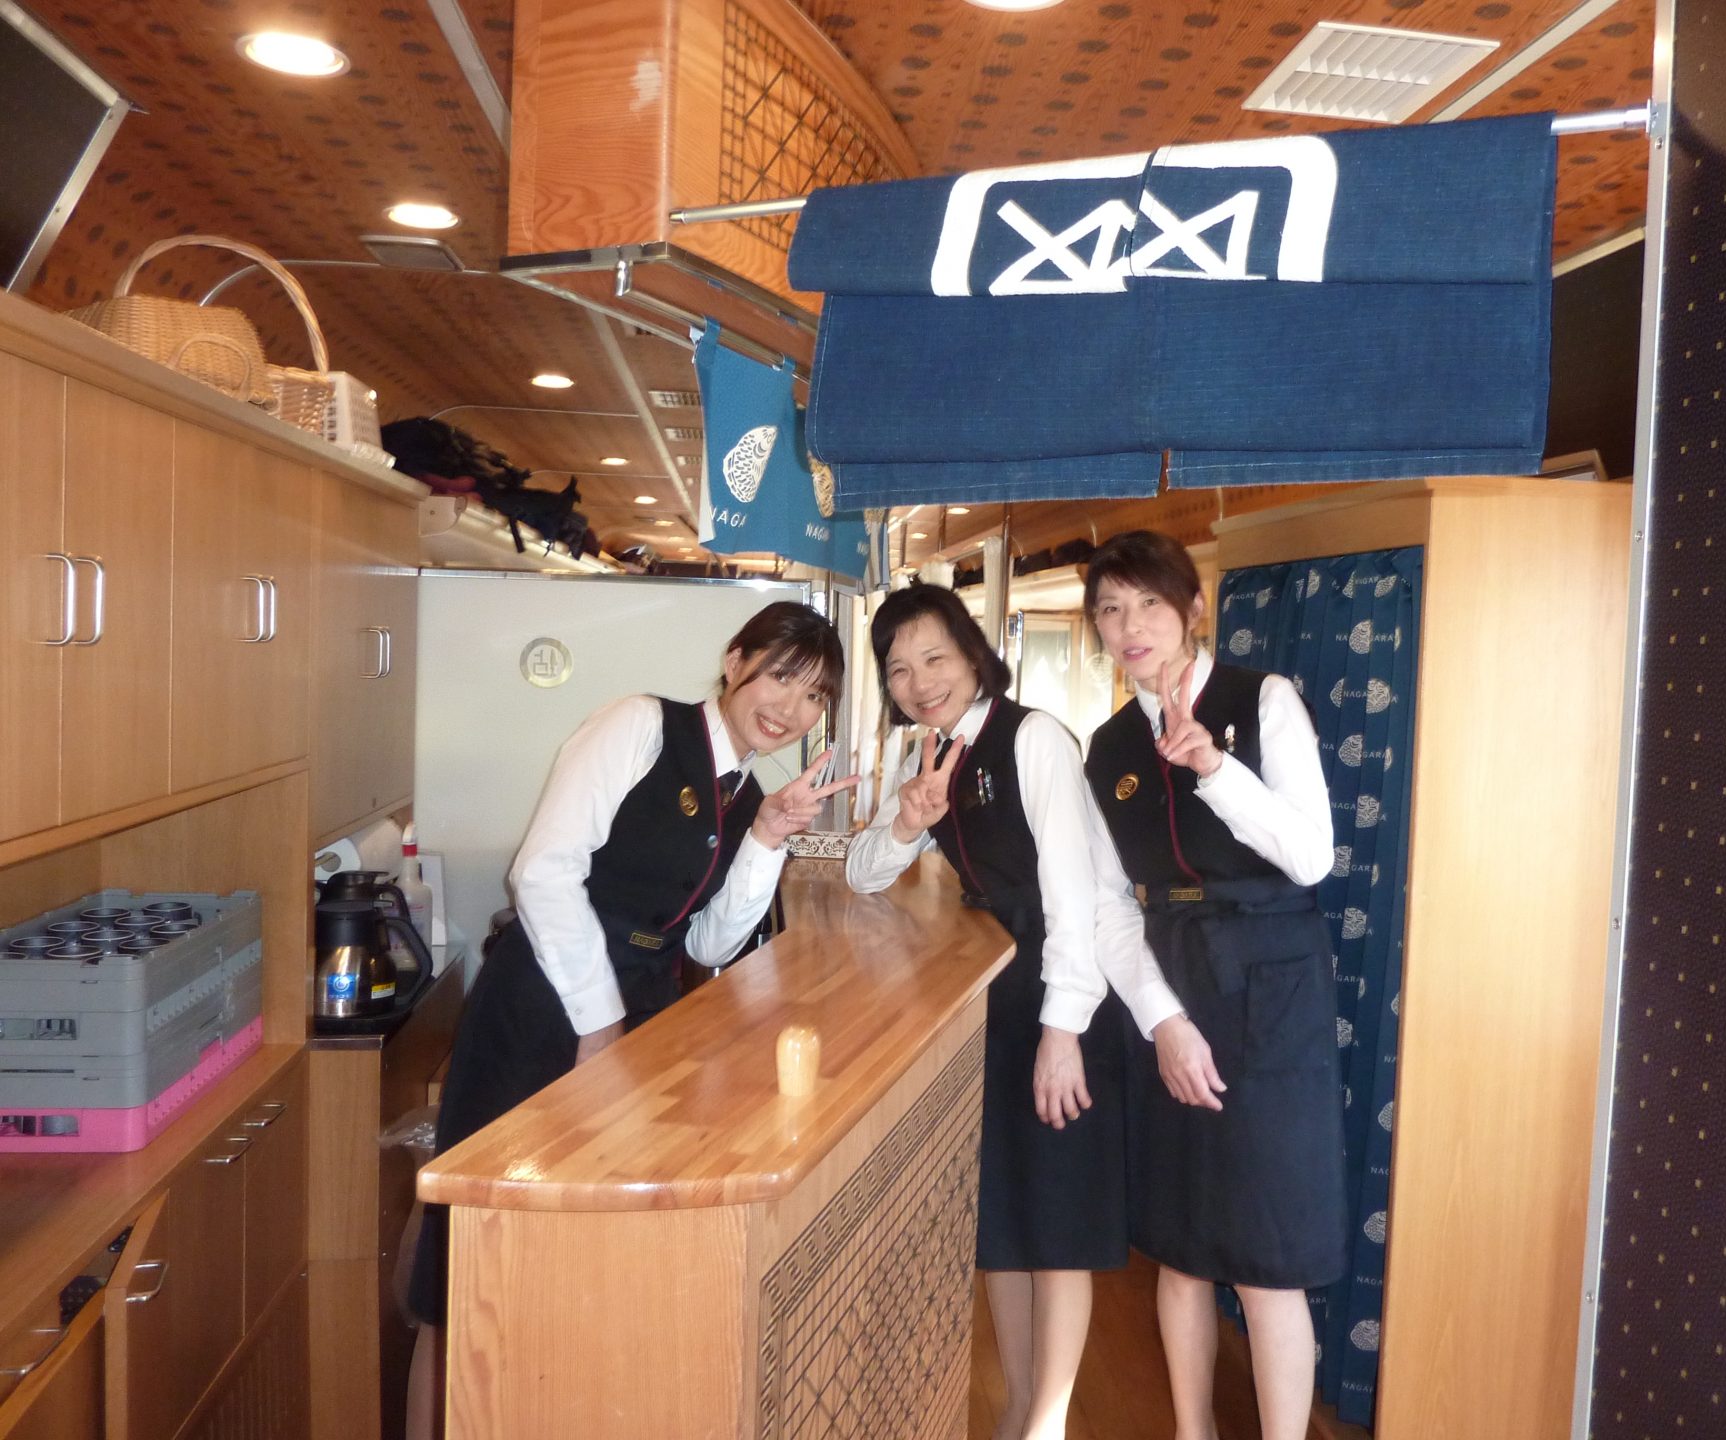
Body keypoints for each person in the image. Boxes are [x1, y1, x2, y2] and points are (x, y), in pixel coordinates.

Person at [405, 601, 855, 1434]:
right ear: (735, 661)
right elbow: (542, 871)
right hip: (542, 1007)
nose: (791, 708)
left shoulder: (746, 794)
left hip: (637, 1021)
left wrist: (767, 836)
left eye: (814, 695)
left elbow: (710, 940)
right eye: (782, 677)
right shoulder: (640, 726)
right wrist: (599, 1022)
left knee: (576, 1262)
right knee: (471, 1264)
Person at [845, 582, 1204, 1440]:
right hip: (997, 998)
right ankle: (1015, 1405)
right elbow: (862, 872)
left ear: (975, 656)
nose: (920, 682)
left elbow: (1075, 894)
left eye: (935, 658)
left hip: (1062, 993)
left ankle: (1046, 1420)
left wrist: (1062, 1032)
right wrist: (906, 823)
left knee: (1058, 1222)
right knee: (1002, 1220)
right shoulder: (928, 754)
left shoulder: (1033, 737)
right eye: (899, 670)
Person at [1081, 531, 1344, 1440]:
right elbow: (1109, 907)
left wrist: (1214, 770)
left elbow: (1312, 857)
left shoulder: (1261, 701)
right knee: (1182, 1248)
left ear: (1194, 609)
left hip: (1274, 981)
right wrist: (1163, 1022)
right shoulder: (1108, 748)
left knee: (1269, 1255)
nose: (1130, 626)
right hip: (1172, 979)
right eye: (1110, 609)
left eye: (1149, 603)